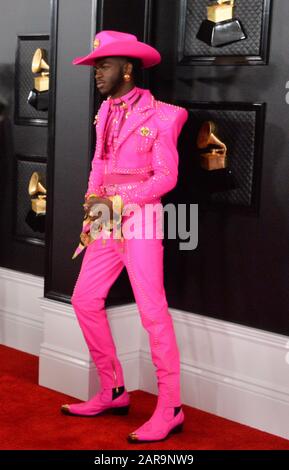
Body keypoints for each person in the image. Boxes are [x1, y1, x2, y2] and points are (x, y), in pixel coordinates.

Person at [61, 30, 188, 443]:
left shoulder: (167, 115)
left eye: (104, 65)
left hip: (142, 218)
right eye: (96, 65)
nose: (97, 72)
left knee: (152, 311)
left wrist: (120, 199)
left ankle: (170, 407)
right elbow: (98, 161)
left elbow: (167, 177)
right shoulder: (105, 111)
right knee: (84, 299)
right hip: (105, 216)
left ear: (128, 68)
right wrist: (92, 202)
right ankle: (114, 388)